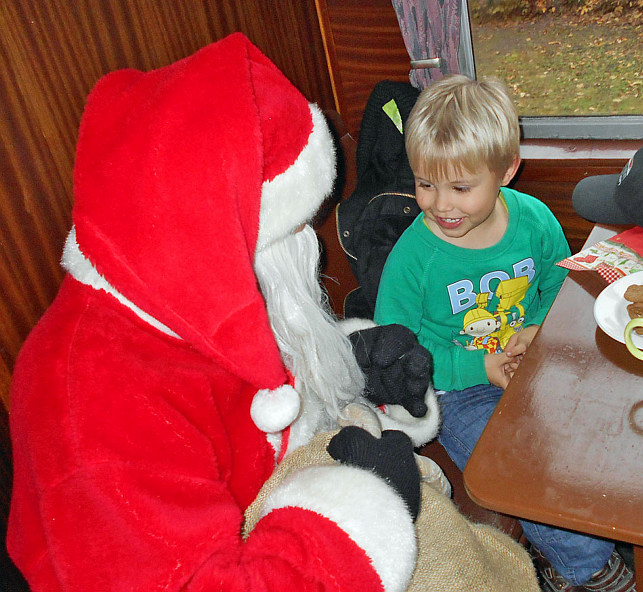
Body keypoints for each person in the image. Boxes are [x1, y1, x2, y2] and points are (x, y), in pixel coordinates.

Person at [7, 34, 540, 591]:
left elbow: (255, 390)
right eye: (295, 228)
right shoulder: (90, 403)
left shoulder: (186, 286)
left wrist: (354, 365)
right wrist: (361, 510)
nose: (311, 242)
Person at [374, 74, 637, 592]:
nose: (440, 204)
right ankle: (583, 568)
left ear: (506, 171)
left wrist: (538, 326)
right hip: (455, 387)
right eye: (425, 183)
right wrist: (478, 366)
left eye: (460, 187)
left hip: (532, 357)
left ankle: (603, 527)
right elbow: (396, 351)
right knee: (519, 464)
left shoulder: (534, 219)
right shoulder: (414, 257)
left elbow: (559, 281)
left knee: (601, 422)